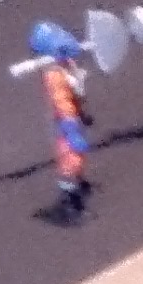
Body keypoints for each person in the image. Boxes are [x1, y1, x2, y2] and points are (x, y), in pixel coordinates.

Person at [30, 22, 96, 224]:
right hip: (64, 123)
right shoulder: (53, 76)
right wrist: (70, 128)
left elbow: (74, 96)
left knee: (78, 157)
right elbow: (62, 102)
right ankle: (70, 205)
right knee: (70, 160)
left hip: (72, 118)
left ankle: (78, 184)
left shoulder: (66, 66)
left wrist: (81, 114)